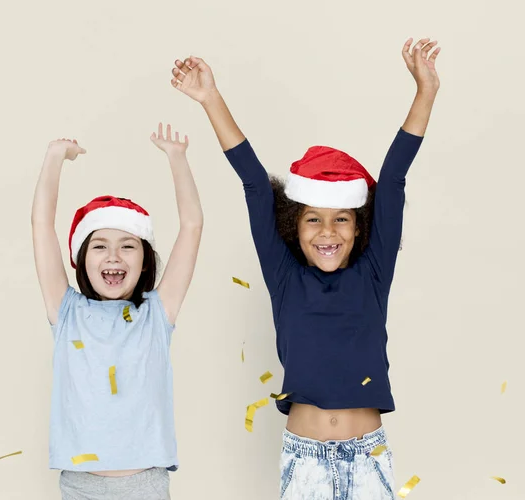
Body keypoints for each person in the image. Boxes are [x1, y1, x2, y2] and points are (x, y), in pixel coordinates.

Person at [170, 37, 440, 499]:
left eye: (341, 219)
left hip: (369, 458)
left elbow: (392, 178)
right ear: (293, 227)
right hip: (304, 460)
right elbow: (255, 184)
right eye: (313, 219)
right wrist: (211, 98)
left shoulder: (374, 274)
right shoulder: (284, 276)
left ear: (360, 228)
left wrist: (425, 93)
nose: (327, 232)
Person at [31, 123, 203, 499]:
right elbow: (42, 225)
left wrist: (177, 158)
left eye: (128, 246)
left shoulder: (158, 313)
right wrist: (55, 156)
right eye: (100, 246)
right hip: (80, 486)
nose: (113, 255)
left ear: (144, 262)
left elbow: (191, 226)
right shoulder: (67, 313)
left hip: (146, 485)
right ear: (80, 260)